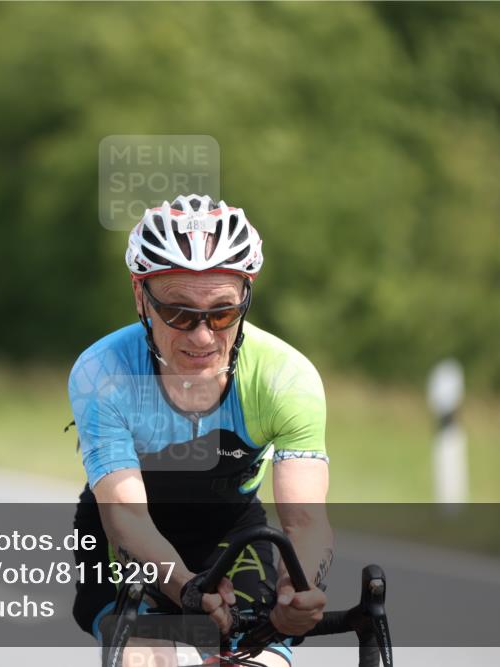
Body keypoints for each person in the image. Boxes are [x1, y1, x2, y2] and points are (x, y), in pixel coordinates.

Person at [68, 195, 333, 666]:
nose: (203, 336)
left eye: (223, 312)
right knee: (147, 658)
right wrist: (186, 590)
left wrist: (300, 587)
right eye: (179, 313)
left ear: (247, 297)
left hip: (229, 531)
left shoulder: (286, 378)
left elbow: (306, 521)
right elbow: (126, 518)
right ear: (140, 297)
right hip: (125, 541)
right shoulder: (102, 372)